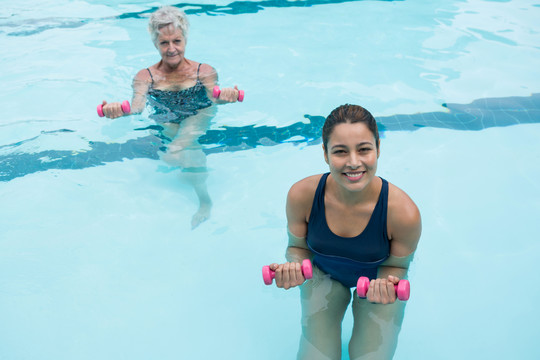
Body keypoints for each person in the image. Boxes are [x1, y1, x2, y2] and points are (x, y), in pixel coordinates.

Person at [268, 104, 421, 360]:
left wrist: (385, 285)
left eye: (364, 149)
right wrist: (294, 268)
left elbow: (397, 265)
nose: (353, 162)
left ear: (378, 149)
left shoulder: (403, 213)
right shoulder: (302, 195)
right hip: (323, 276)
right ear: (326, 154)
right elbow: (297, 248)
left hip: (376, 283)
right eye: (340, 151)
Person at [100, 6, 241, 229]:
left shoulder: (204, 71)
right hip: (166, 117)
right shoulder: (145, 76)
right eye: (164, 43)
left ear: (185, 39)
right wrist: (116, 110)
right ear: (156, 44)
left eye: (176, 41)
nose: (171, 49)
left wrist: (227, 96)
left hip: (199, 113)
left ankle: (184, 166)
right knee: (190, 154)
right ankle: (204, 200)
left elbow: (214, 99)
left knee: (179, 146)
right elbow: (136, 108)